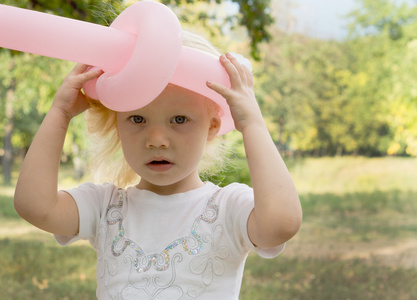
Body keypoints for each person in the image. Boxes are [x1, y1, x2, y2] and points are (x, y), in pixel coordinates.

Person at [14, 28, 302, 299]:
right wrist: (60, 112)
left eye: (179, 120)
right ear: (118, 124)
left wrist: (252, 124)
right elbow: (35, 206)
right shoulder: (105, 207)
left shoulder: (227, 208)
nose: (156, 139)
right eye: (137, 119)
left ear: (213, 126)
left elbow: (281, 224)